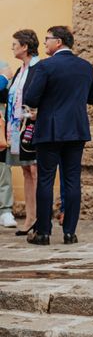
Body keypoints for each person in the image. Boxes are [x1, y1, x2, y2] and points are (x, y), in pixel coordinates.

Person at [23, 26, 93, 245]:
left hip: (50, 130)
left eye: (47, 39)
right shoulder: (86, 67)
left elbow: (31, 98)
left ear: (58, 41)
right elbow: (92, 98)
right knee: (73, 179)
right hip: (76, 129)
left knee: (46, 180)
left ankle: (44, 232)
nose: (44, 43)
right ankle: (69, 232)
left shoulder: (46, 66)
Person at [1, 30, 40, 234]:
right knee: (26, 170)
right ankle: (30, 217)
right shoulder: (19, 70)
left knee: (35, 170)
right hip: (17, 128)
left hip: (32, 126)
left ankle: (38, 218)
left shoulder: (38, 68)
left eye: (15, 44)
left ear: (25, 46)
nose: (12, 47)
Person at [0, 60, 16, 229]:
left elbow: (9, 95)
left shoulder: (2, 64)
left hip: (0, 127)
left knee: (3, 168)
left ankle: (5, 210)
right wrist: (3, 77)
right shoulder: (4, 71)